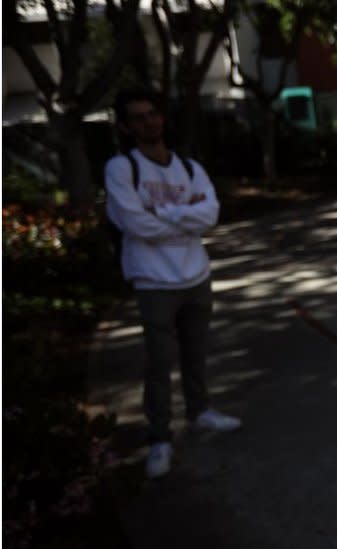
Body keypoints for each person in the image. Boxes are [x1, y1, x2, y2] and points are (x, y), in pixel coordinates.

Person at [105, 89, 242, 480]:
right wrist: (185, 214)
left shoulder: (188, 167)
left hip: (195, 274)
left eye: (152, 114)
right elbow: (134, 224)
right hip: (153, 280)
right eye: (138, 117)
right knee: (159, 362)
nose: (148, 122)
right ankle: (160, 438)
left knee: (196, 353)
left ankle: (200, 411)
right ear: (126, 127)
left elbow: (210, 215)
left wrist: (162, 212)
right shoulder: (122, 168)